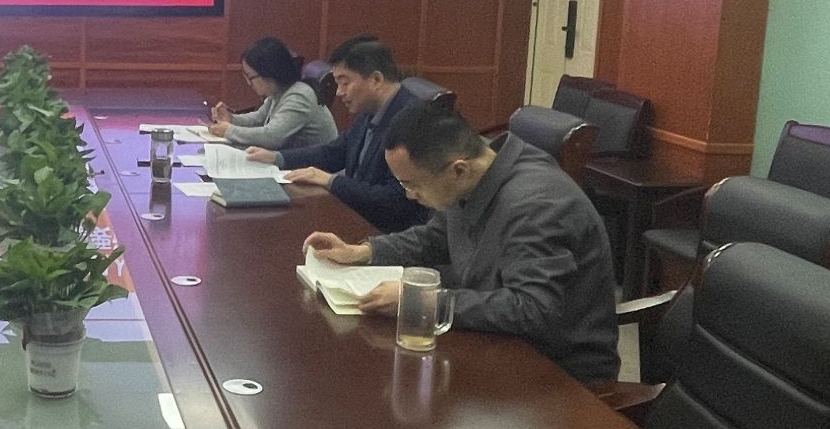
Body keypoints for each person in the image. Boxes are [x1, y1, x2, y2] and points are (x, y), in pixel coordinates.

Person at [302, 101, 621, 382]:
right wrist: (364, 251)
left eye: (412, 185)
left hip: (557, 370)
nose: (410, 196)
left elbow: (533, 309)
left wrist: (423, 302)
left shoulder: (537, 206)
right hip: (495, 341)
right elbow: (436, 236)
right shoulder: (478, 171)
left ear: (458, 170)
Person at [247, 36, 422, 233]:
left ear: (376, 80)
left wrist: (331, 181)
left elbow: (395, 200)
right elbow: (335, 152)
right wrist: (277, 158)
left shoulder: (413, 121)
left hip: (384, 231)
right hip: (357, 217)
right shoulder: (372, 109)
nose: (339, 92)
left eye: (345, 83)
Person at [209, 36, 337, 153]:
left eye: (250, 77)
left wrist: (229, 130)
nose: (249, 83)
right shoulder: (279, 91)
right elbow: (258, 119)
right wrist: (231, 119)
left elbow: (272, 137)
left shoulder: (299, 96)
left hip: (314, 168)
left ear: (269, 73)